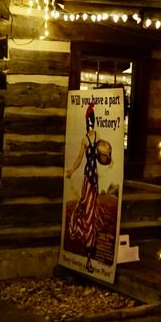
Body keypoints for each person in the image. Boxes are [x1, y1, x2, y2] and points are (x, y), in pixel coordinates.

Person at [66, 102, 105, 273]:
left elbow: (100, 157)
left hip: (92, 179)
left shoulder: (94, 138)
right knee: (87, 210)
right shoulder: (90, 138)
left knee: (91, 211)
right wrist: (71, 170)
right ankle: (87, 250)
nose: (90, 124)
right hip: (89, 179)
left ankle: (90, 251)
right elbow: (79, 160)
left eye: (90, 121)